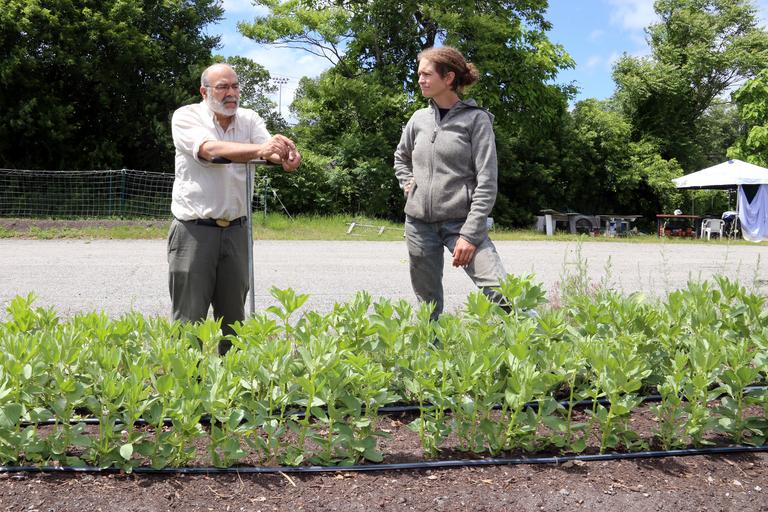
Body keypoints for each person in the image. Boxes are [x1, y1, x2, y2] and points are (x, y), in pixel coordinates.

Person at [169, 63, 301, 354]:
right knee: (188, 321)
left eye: (235, 86)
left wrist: (287, 154)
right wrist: (261, 151)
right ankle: (188, 390)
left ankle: (234, 389)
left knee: (235, 321)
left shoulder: (249, 119)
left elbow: (270, 150)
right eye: (223, 87)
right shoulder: (186, 116)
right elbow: (210, 151)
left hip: (237, 231)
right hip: (194, 231)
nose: (232, 93)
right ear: (204, 92)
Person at [394, 46, 507, 321]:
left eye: (426, 74)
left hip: (461, 223)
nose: (420, 80)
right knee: (427, 304)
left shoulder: (476, 120)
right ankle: (430, 358)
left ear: (448, 78)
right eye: (419, 74)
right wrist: (407, 182)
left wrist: (470, 234)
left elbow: (487, 181)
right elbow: (401, 157)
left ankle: (537, 351)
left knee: (502, 293)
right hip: (419, 224)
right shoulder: (418, 119)